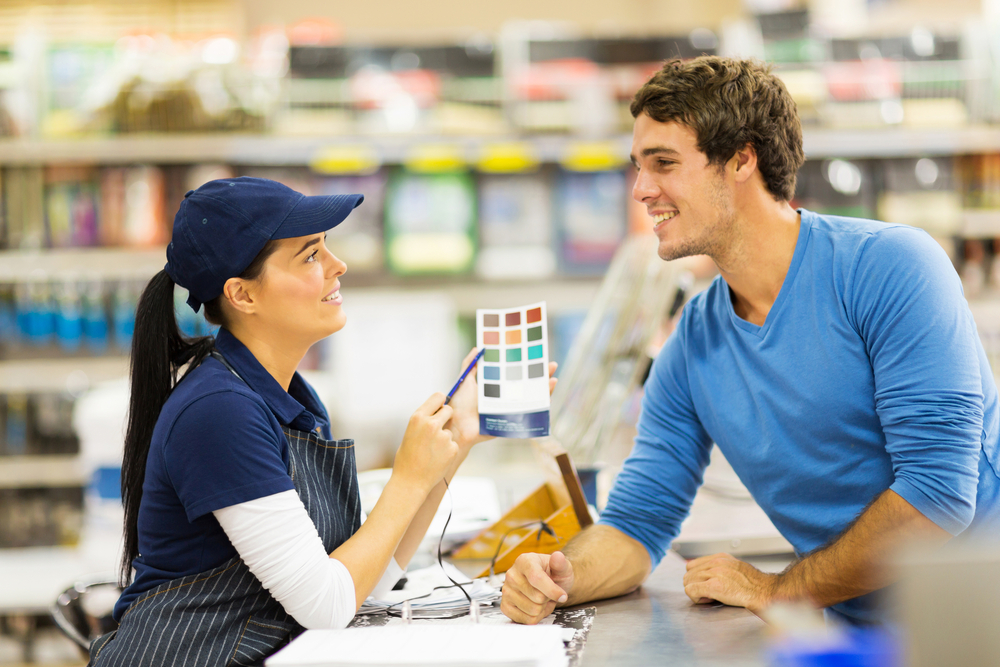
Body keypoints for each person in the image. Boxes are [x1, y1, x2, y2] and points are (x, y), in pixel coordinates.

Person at [500, 56, 1000, 627]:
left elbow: (937, 496)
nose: (641, 189)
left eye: (663, 163)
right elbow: (638, 521)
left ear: (742, 159)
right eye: (638, 166)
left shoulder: (890, 269)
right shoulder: (693, 340)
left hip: (980, 623)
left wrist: (780, 590)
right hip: (856, 632)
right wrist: (563, 576)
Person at [90, 177, 554, 666]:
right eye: (310, 256)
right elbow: (327, 604)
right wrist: (408, 475)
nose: (338, 266)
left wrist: (454, 440)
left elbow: (364, 581)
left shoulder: (289, 397)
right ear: (242, 295)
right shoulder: (218, 413)